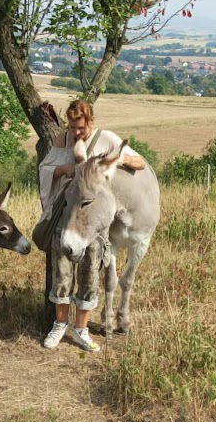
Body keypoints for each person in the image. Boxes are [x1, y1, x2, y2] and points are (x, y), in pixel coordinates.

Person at [38, 99, 144, 353]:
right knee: (61, 274)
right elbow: (45, 169)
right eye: (72, 127)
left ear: (90, 122)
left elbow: (139, 162)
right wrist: (64, 169)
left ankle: (81, 329)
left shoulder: (104, 138)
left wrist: (114, 162)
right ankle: (59, 324)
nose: (76, 133)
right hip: (65, 218)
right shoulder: (62, 140)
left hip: (94, 223)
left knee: (89, 275)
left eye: (80, 128)